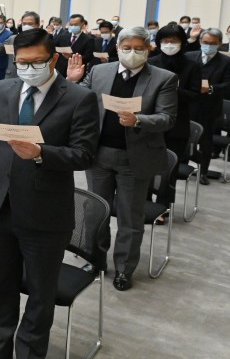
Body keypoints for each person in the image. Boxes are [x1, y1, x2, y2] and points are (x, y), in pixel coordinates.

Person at [0, 27, 99, 359]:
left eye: (36, 62)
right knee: (3, 285)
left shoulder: (78, 98)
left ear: (53, 59)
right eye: (21, 62)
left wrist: (41, 154)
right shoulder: (3, 89)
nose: (28, 69)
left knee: (39, 291)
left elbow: (84, 154)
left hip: (45, 212)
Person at [66, 27, 178, 291]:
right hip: (99, 154)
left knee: (130, 216)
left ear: (149, 49)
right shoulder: (100, 71)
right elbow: (78, 100)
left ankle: (125, 269)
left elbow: (168, 118)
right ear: (117, 48)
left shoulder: (164, 78)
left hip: (135, 158)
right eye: (127, 48)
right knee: (96, 211)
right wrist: (72, 82)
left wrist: (138, 119)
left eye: (139, 48)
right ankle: (95, 260)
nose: (132, 53)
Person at [148, 23, 200, 168]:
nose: (169, 44)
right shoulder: (151, 63)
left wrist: (173, 89)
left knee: (170, 170)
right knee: (147, 168)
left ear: (182, 42)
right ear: (159, 42)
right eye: (165, 41)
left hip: (177, 123)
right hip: (151, 121)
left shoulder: (192, 65)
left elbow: (195, 95)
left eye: (174, 41)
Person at [188, 28, 230, 185]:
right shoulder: (190, 56)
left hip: (210, 107)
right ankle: (183, 166)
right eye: (205, 42)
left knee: (205, 141)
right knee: (185, 138)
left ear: (219, 44)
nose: (208, 46)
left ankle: (203, 172)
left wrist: (212, 88)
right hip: (189, 104)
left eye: (212, 43)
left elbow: (229, 84)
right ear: (200, 41)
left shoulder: (226, 61)